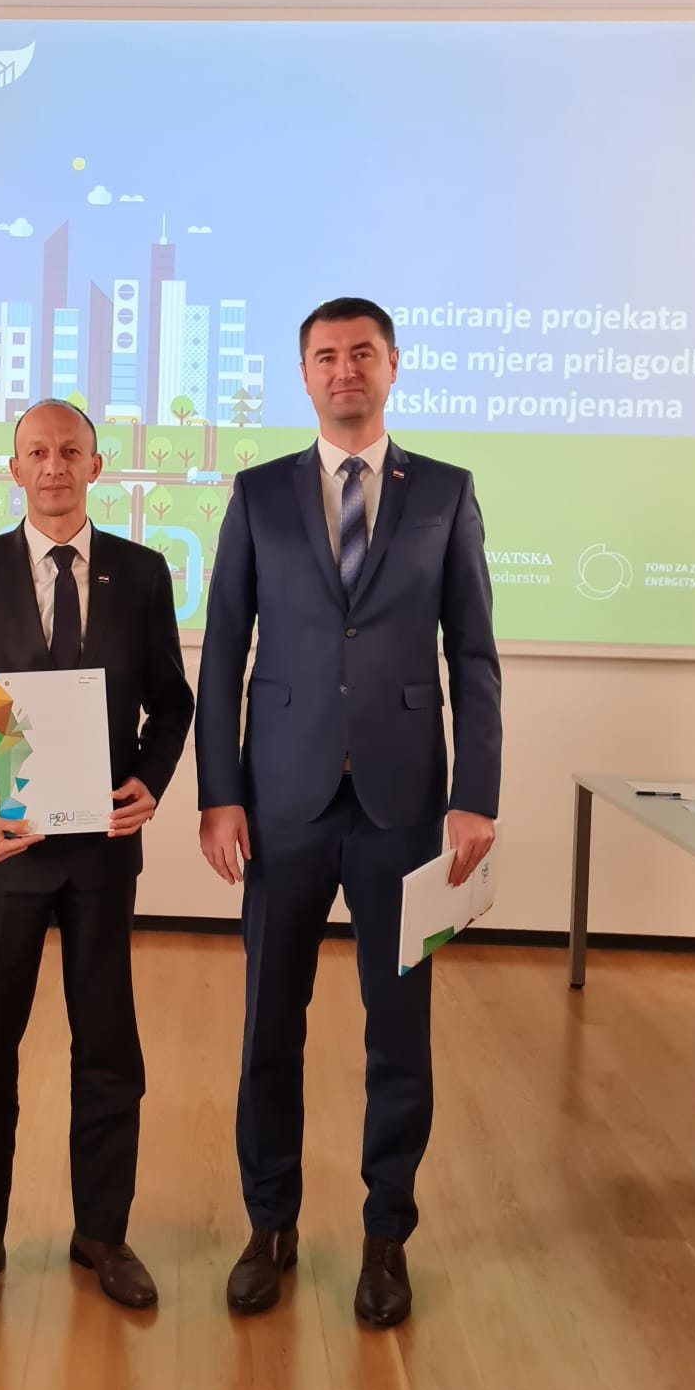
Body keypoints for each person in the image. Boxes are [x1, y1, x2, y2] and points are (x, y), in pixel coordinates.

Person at [196, 297, 500, 1328]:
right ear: (303, 373)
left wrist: (474, 794)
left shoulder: (445, 493)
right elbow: (222, 651)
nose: (343, 370)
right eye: (324, 355)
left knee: (398, 1031)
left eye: (361, 353)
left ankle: (384, 1235)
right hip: (280, 803)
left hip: (404, 807)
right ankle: (269, 1224)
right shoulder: (257, 493)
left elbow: (472, 655)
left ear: (392, 365)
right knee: (266, 1027)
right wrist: (218, 792)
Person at [0, 399, 194, 1322]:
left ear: (95, 464)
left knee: (108, 1048)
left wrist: (150, 779)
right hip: (5, 858)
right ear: (12, 467)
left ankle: (102, 1234)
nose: (53, 466)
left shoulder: (142, 573)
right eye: (35, 451)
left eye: (69, 450)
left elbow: (172, 700)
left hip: (103, 858)